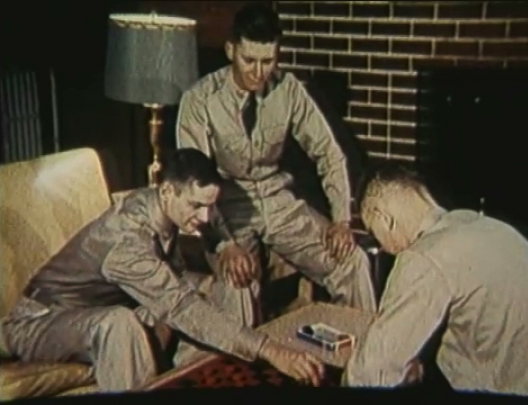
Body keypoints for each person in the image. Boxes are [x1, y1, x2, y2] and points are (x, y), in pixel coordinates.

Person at [0, 148, 324, 392]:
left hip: (100, 307)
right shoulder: (127, 240)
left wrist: (216, 280)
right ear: (168, 191)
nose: (205, 217)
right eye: (197, 205)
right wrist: (269, 349)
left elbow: (174, 280)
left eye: (210, 206)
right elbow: (179, 305)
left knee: (229, 287)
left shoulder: (159, 207)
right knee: (119, 324)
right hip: (39, 320)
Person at [175, 4, 376, 313]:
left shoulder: (289, 90)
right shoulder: (199, 99)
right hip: (227, 205)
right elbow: (196, 182)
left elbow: (329, 153)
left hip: (279, 200)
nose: (258, 72)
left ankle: (364, 343)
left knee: (352, 261)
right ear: (231, 50)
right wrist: (224, 243)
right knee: (240, 286)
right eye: (249, 60)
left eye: (267, 61)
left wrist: (341, 220)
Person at [342, 162, 528, 396]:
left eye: (375, 235)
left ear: (383, 218)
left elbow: (369, 373)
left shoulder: (424, 257)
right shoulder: (494, 229)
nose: (384, 248)